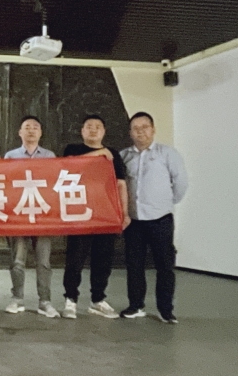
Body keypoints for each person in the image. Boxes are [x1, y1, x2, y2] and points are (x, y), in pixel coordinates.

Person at [119, 112, 188, 323]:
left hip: (160, 218)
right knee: (134, 265)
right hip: (133, 220)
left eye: (145, 127)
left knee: (165, 265)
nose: (140, 131)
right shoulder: (124, 156)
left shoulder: (167, 153)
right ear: (130, 132)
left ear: (153, 129)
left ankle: (165, 309)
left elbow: (180, 183)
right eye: (135, 128)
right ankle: (136, 305)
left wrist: (166, 203)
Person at [61, 114, 131, 319]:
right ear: (82, 131)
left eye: (97, 126)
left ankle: (97, 300)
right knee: (75, 258)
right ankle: (70, 299)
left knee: (103, 259)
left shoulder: (113, 155)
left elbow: (121, 185)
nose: (93, 129)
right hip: (79, 213)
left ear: (104, 131)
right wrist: (100, 152)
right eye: (89, 126)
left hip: (105, 213)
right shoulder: (73, 149)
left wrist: (124, 213)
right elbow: (69, 166)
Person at [3, 116, 60, 318]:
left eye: (35, 127)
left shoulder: (50, 156)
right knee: (18, 261)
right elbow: (5, 184)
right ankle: (17, 298)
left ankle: (45, 301)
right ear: (20, 132)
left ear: (40, 132)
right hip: (18, 216)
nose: (31, 130)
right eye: (27, 127)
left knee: (43, 262)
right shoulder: (10, 156)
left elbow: (54, 184)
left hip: (43, 217)